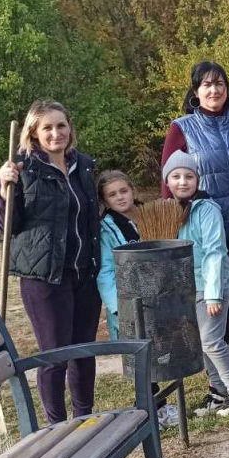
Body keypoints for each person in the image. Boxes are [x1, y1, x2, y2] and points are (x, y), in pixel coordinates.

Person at [0, 100, 102, 425]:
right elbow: (3, 226)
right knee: (55, 355)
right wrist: (3, 189)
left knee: (83, 351)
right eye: (47, 127)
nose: (56, 133)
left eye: (61, 125)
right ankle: (56, 426)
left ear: (70, 128)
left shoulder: (82, 165)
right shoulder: (22, 169)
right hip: (45, 277)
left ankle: (85, 419)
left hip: (84, 272)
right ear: (34, 133)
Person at [162, 61, 229, 381]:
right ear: (195, 91)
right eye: (206, 85)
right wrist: (175, 223)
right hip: (204, 232)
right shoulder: (182, 128)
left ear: (227, 89)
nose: (214, 90)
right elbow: (169, 181)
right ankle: (217, 366)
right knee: (210, 297)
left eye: (219, 83)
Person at [164, 150, 229, 416]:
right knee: (201, 342)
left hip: (212, 286)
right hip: (188, 288)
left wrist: (214, 294)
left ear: (198, 180)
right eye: (176, 176)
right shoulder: (169, 212)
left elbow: (215, 251)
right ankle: (217, 393)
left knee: (213, 341)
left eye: (189, 176)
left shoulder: (207, 210)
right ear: (168, 181)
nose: (183, 182)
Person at [96, 170, 180, 428]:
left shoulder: (151, 214)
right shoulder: (106, 228)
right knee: (140, 356)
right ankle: (155, 408)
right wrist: (118, 306)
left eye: (123, 191)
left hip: (158, 294)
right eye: (112, 195)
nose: (120, 198)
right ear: (104, 200)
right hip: (128, 301)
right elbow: (106, 269)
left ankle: (165, 404)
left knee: (161, 351)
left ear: (133, 190)